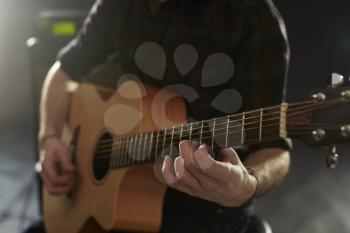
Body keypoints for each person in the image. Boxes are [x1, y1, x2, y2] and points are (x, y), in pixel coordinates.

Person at [32, 0, 292, 232]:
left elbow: (275, 147)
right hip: (115, 198)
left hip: (206, 205)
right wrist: (49, 137)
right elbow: (64, 71)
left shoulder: (251, 15)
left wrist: (248, 184)